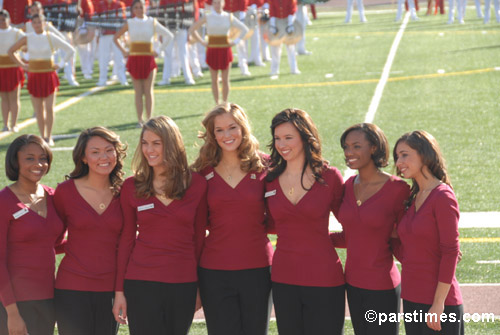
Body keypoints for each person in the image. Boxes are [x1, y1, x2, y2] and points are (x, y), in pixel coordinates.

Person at [112, 116, 208, 335]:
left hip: (182, 282)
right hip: (141, 283)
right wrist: (119, 291)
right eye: (144, 143)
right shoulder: (131, 186)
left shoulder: (197, 184)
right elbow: (126, 240)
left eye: (156, 143)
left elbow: (199, 240)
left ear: (171, 144)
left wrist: (199, 287)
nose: (149, 149)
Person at [191, 103, 273, 335]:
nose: (227, 135)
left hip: (258, 268)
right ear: (212, 134)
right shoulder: (201, 172)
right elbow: (196, 227)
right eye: (219, 130)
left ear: (243, 128)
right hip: (214, 272)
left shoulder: (266, 164)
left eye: (232, 127)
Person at [265, 108, 345, 335]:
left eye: (288, 137)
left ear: (305, 137)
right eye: (277, 138)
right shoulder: (269, 179)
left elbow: (353, 227)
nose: (282, 144)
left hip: (324, 277)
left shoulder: (329, 177)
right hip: (283, 278)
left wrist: (322, 240)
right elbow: (268, 224)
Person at [330, 123, 410, 335]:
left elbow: (408, 238)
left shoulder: (398, 189)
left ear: (374, 147)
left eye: (356, 146)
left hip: (383, 286)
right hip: (352, 284)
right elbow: (352, 236)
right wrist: (314, 237)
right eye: (346, 147)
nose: (349, 152)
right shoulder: (347, 186)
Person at [53, 127, 127, 335]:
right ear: (84, 158)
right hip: (71, 288)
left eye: (109, 150)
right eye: (95, 152)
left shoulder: (126, 192)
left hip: (110, 289)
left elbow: (127, 241)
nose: (103, 157)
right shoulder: (65, 191)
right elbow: (53, 239)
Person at [393, 130, 464, 335]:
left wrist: (438, 304)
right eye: (397, 156)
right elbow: (408, 252)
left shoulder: (442, 196)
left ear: (424, 154)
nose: (399, 162)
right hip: (412, 299)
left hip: (439, 305)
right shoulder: (413, 197)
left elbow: (450, 251)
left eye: (405, 154)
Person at [0, 134, 64, 335]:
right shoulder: (3, 201)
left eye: (43, 157)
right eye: (29, 158)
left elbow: (53, 243)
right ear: (15, 162)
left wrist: (100, 240)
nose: (38, 163)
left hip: (47, 299)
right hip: (13, 303)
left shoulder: (54, 196)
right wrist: (12, 313)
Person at [8, 14, 75, 146]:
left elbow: (70, 50)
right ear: (32, 24)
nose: (38, 25)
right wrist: (22, 64)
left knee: (49, 108)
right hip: (34, 76)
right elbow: (11, 51)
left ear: (45, 23)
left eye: (40, 22)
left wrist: (61, 64)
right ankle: (42, 136)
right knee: (38, 109)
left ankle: (49, 136)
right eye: (35, 23)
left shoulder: (51, 37)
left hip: (49, 76)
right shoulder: (27, 38)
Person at [114, 0, 173, 127]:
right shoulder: (130, 23)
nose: (140, 9)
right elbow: (116, 37)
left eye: (141, 7)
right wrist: (124, 51)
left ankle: (150, 119)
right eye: (137, 7)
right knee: (138, 91)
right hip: (134, 59)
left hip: (148, 59)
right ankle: (140, 120)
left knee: (148, 90)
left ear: (145, 7)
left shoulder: (152, 22)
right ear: (133, 10)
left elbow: (169, 35)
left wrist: (158, 50)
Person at [188, 0, 249, 104]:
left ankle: (225, 102)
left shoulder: (228, 16)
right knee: (214, 79)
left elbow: (244, 29)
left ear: (223, 4)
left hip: (225, 50)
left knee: (225, 79)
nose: (217, 5)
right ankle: (217, 103)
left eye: (219, 2)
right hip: (212, 50)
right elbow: (192, 29)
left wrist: (235, 41)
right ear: (212, 4)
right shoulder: (208, 16)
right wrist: (202, 42)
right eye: (215, 3)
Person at [0, 9, 24, 133]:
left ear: (9, 19)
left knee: (14, 98)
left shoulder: (16, 33)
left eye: (4, 19)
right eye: (0, 20)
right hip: (1, 69)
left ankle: (14, 124)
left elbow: (27, 43)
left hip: (13, 67)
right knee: (4, 98)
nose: (2, 22)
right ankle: (5, 124)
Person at [96, 0, 128, 87]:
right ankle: (102, 79)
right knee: (103, 59)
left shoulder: (120, 4)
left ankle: (122, 78)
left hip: (116, 35)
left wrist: (123, 35)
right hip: (104, 35)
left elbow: (123, 21)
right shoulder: (100, 4)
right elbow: (97, 20)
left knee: (119, 58)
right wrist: (97, 35)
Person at [268, 0, 300, 76]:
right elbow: (272, 11)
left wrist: (290, 24)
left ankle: (294, 68)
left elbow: (292, 10)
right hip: (277, 22)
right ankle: (274, 70)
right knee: (275, 47)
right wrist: (273, 25)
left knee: (291, 47)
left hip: (287, 21)